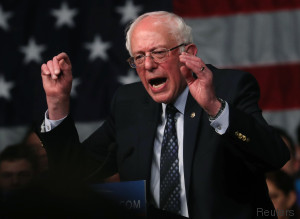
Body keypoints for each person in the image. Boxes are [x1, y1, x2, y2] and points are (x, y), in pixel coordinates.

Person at [37, 11, 290, 218]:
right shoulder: (129, 103)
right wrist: (57, 102)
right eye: (138, 57)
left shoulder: (229, 88)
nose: (147, 65)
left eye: (158, 52)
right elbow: (72, 174)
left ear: (188, 53)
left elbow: (275, 157)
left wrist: (215, 107)